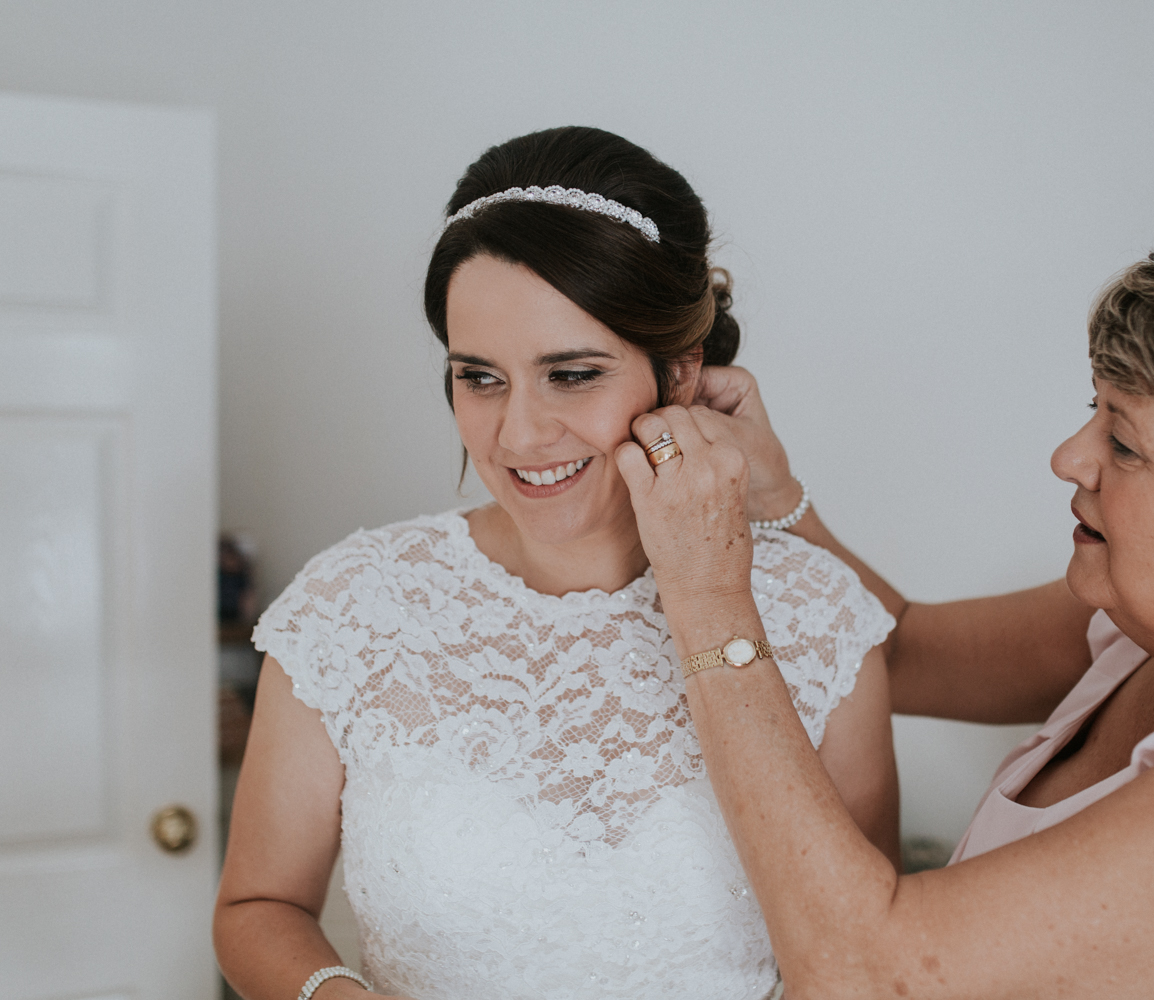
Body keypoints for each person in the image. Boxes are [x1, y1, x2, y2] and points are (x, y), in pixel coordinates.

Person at [619, 224, 1154, 998]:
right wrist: (775, 497)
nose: (1068, 457)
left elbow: (863, 973)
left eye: (1123, 441)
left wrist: (706, 593)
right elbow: (905, 648)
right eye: (1094, 410)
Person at [213, 126, 900, 1000]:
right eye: (480, 377)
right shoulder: (352, 606)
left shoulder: (820, 619)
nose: (518, 435)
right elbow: (256, 905)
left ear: (680, 373)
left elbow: (854, 966)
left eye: (571, 374)